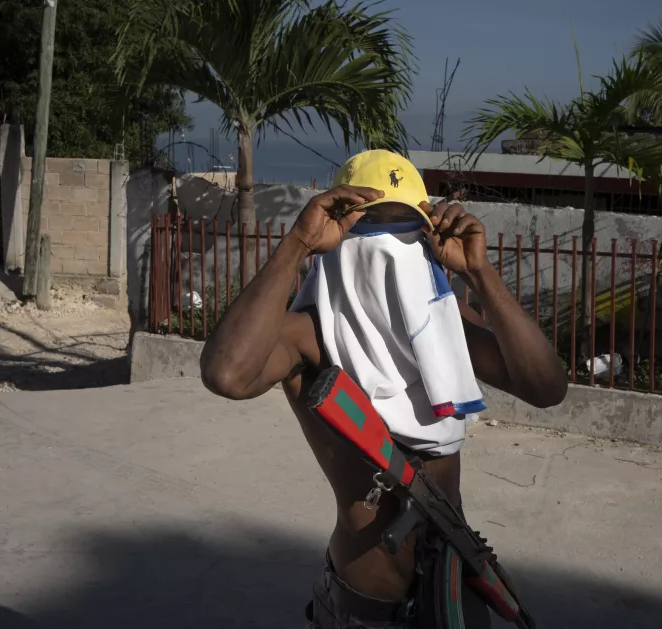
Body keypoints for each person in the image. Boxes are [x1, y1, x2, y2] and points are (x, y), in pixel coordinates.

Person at [200, 150, 567, 627]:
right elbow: (227, 373)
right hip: (363, 610)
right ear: (335, 231)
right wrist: (296, 245)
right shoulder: (308, 335)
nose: (389, 246)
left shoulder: (442, 326)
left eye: (405, 227)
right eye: (370, 226)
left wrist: (481, 273)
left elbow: (547, 387)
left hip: (451, 591)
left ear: (428, 235)